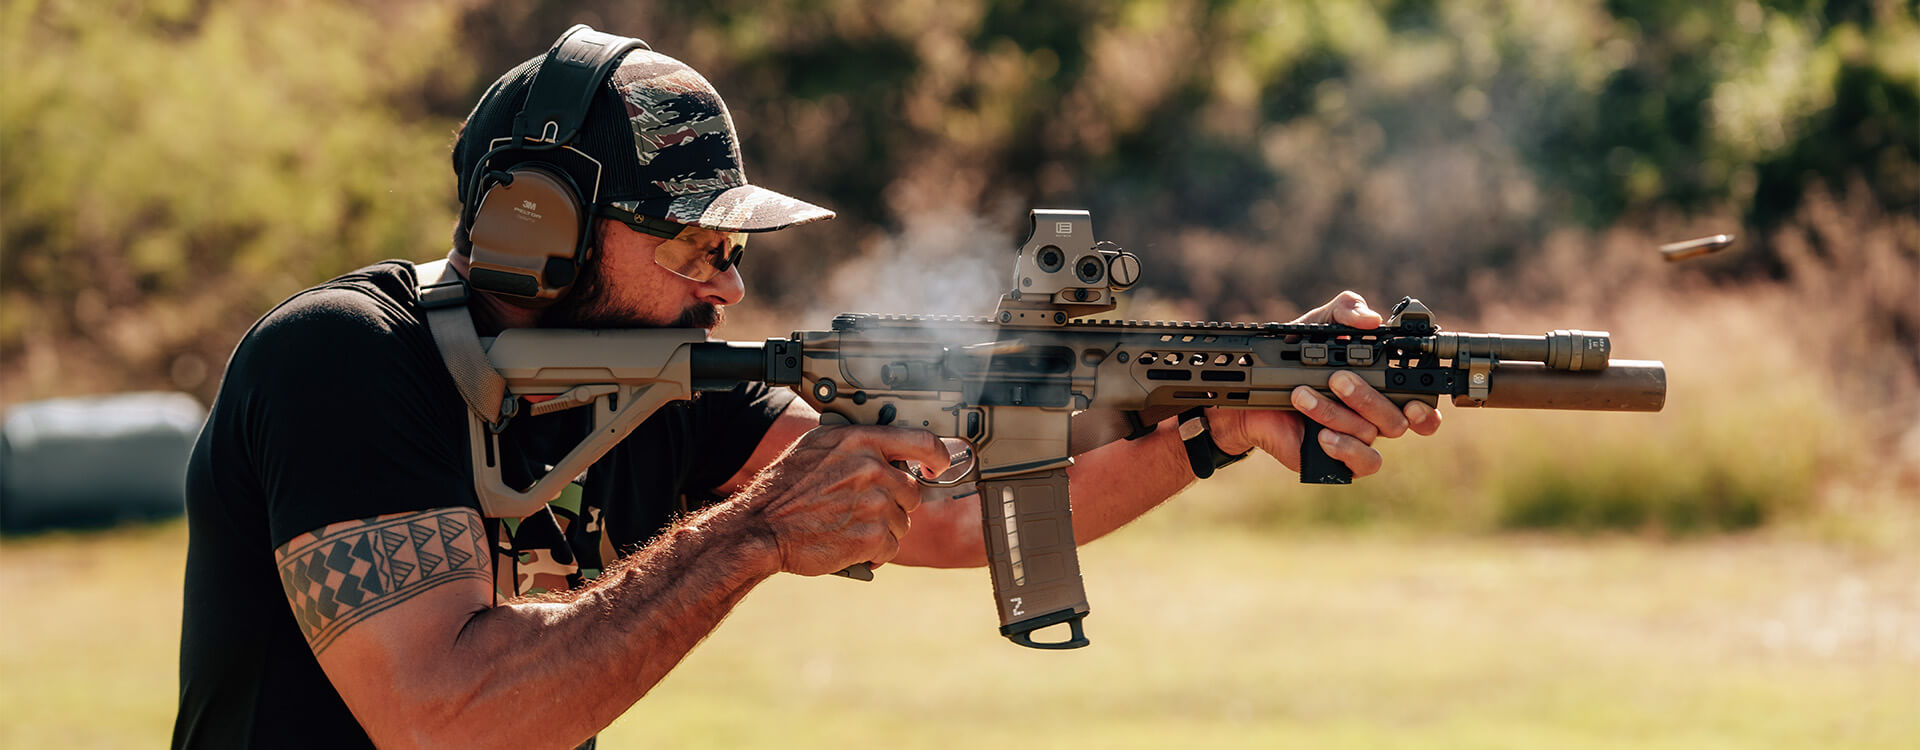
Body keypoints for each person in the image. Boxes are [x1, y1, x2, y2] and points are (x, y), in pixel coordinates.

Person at [171, 28, 1441, 749]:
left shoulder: (672, 381)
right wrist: (753, 538)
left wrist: (1215, 428)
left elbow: (943, 514)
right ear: (535, 231)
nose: (727, 286)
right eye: (693, 245)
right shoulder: (339, 360)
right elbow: (445, 719)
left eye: (735, 251)